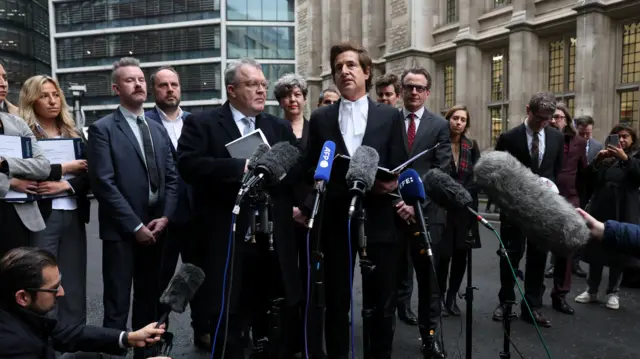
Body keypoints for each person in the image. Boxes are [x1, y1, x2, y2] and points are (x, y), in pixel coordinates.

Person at [177, 58, 299, 359]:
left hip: (271, 242)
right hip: (228, 240)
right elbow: (189, 165)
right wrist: (241, 166)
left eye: (263, 85)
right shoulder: (202, 123)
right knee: (230, 317)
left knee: (272, 317)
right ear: (231, 90)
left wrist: (276, 170)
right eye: (252, 85)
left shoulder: (279, 126)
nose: (261, 91)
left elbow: (299, 170)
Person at [302, 42, 406, 359]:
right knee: (335, 303)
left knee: (380, 304)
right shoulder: (320, 118)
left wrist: (388, 184)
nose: (344, 71)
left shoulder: (389, 116)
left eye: (350, 65)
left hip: (378, 221)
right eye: (338, 67)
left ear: (366, 71)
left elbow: (400, 165)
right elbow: (311, 168)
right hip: (334, 221)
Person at [86, 57, 179, 359]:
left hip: (157, 230)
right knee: (116, 305)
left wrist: (165, 216)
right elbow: (103, 183)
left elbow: (173, 177)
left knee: (149, 302)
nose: (138, 84)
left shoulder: (156, 127)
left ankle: (146, 356)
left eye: (141, 79)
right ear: (116, 88)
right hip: (123, 233)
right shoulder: (103, 129)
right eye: (130, 80)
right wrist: (135, 226)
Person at [0, 247, 166, 359]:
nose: (62, 292)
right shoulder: (15, 346)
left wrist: (129, 338)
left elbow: (64, 333)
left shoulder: (15, 312)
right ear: (22, 297)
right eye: (54, 288)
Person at [144, 66, 209, 349]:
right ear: (153, 91)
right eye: (163, 85)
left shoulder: (197, 122)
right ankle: (157, 335)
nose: (170, 90)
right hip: (162, 217)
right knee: (159, 280)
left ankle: (203, 330)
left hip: (198, 216)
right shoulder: (143, 123)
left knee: (201, 276)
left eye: (174, 85)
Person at [19, 75, 91, 328]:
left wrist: (66, 185)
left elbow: (91, 173)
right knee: (43, 283)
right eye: (44, 95)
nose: (52, 101)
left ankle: (75, 339)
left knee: (73, 282)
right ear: (31, 101)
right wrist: (64, 168)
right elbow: (23, 171)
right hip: (41, 216)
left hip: (72, 213)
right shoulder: (24, 134)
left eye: (55, 94)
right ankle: (46, 342)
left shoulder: (74, 132)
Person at [492, 92, 564, 328]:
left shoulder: (556, 138)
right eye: (539, 118)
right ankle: (506, 302)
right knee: (510, 256)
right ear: (528, 110)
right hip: (514, 210)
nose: (543, 123)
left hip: (543, 211)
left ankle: (532, 306)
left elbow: (555, 171)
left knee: (538, 259)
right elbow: (499, 174)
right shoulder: (509, 137)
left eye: (547, 119)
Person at [575, 123, 640, 310]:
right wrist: (596, 161)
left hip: (625, 209)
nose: (621, 140)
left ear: (632, 139)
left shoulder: (635, 157)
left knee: (619, 254)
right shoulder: (606, 157)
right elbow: (589, 181)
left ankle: (613, 292)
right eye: (618, 136)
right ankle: (592, 290)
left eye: (626, 136)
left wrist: (626, 159)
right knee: (597, 250)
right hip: (602, 208)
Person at [0, 61, 51, 257]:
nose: (3, 83)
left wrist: (4, 164)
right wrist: (10, 182)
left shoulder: (17, 122)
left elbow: (42, 166)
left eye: (4, 77)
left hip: (19, 219)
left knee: (18, 280)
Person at [542, 103, 587, 315]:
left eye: (559, 117)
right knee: (539, 248)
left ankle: (560, 296)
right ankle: (534, 296)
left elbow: (584, 173)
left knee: (566, 251)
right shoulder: (543, 139)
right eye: (552, 117)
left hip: (570, 200)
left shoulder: (579, 142)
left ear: (567, 120)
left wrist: (579, 200)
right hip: (545, 200)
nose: (554, 120)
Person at [437, 105, 480, 317]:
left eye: (463, 119)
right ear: (448, 119)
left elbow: (476, 175)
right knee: (443, 256)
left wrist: (470, 202)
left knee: (461, 256)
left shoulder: (471, 146)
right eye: (455, 118)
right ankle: (439, 296)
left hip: (465, 209)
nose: (459, 123)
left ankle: (452, 298)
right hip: (443, 208)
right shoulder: (439, 142)